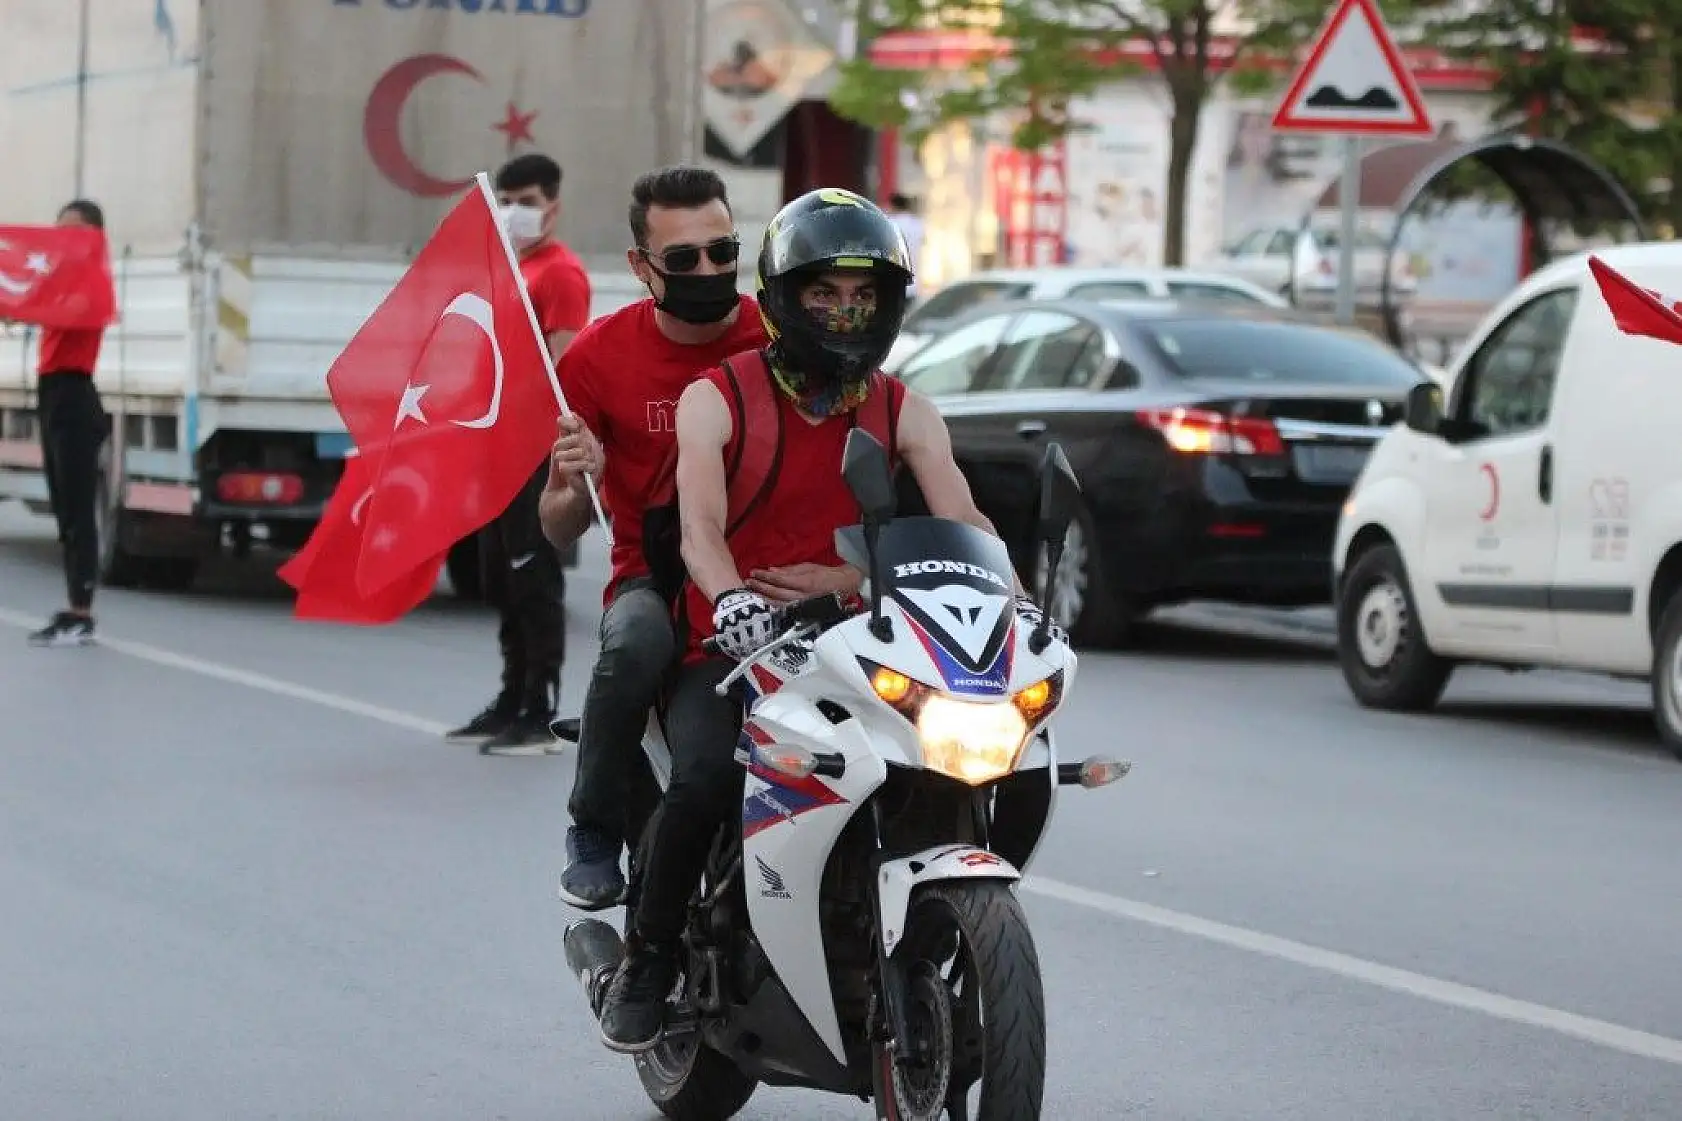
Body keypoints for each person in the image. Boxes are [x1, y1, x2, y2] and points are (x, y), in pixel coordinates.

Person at [596, 188, 1019, 1053]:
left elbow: (962, 519)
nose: (846, 311)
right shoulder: (716, 398)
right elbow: (701, 534)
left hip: (859, 644)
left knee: (942, 765)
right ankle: (650, 952)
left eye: (864, 295)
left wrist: (1012, 592)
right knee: (710, 774)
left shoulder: (907, 408)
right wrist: (736, 600)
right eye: (825, 293)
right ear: (784, 297)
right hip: (734, 643)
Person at [539, 165, 768, 903]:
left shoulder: (778, 337)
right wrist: (578, 479)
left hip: (766, 581)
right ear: (642, 268)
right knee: (635, 640)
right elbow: (558, 524)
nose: (710, 270)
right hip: (655, 578)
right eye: (684, 258)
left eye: (723, 251)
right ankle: (595, 827)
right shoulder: (595, 359)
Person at [446, 153, 591, 754]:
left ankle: (542, 709)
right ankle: (511, 695)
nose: (516, 212)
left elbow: (565, 367)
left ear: (553, 205)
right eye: (506, 201)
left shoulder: (559, 274)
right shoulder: (506, 269)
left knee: (534, 577)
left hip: (534, 452)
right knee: (496, 577)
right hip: (493, 446)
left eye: (528, 201)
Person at [28, 199, 111, 648]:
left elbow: (65, 312)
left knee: (78, 510)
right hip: (51, 394)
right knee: (63, 507)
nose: (64, 240)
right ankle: (73, 607)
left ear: (95, 238)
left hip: (75, 396)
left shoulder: (94, 283)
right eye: (58, 231)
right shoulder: (59, 280)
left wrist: (24, 300)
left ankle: (82, 613)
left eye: (74, 232)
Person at [885, 192, 924, 300]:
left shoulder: (890, 224)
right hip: (913, 286)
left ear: (893, 205)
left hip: (894, 285)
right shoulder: (918, 224)